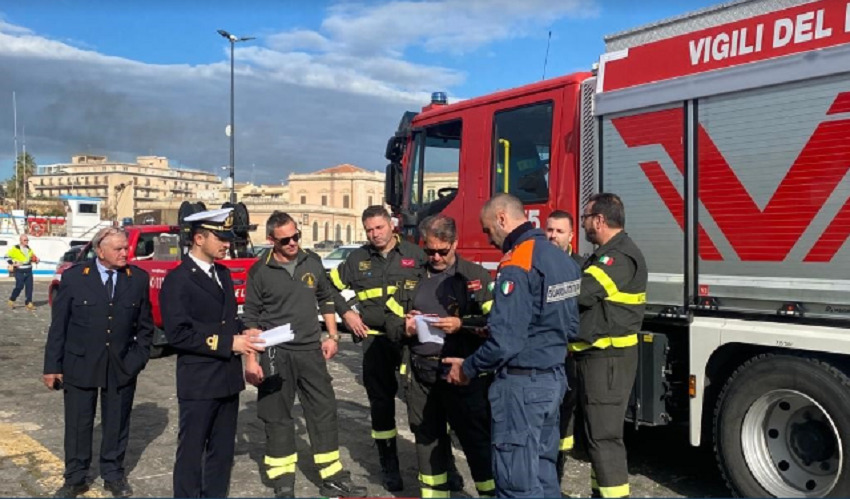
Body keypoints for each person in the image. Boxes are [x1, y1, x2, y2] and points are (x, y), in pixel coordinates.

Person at [444, 193, 581, 498]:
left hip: (521, 386)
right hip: (553, 379)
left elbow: (506, 342)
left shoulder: (517, 260)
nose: (488, 237)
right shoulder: (563, 259)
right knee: (544, 472)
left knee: (516, 480)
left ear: (502, 219)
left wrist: (467, 368)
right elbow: (570, 325)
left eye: (487, 229)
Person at [242, 211, 366, 498]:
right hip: (275, 352)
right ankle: (283, 481)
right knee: (277, 416)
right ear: (271, 239)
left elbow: (325, 297)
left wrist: (332, 336)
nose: (293, 243)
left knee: (323, 412)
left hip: (311, 350)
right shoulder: (260, 270)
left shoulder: (312, 260)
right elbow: (251, 318)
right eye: (286, 240)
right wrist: (251, 360)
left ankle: (332, 476)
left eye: (296, 236)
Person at [384, 215, 496, 499]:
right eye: (429, 250)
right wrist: (405, 326)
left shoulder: (475, 276)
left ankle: (490, 494)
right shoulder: (412, 277)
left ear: (455, 244)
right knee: (427, 441)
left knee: (476, 442)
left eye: (441, 251)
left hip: (462, 374)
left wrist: (462, 324)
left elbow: (495, 322)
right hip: (421, 373)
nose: (435, 257)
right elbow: (390, 318)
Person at [160, 207, 265, 498]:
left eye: (227, 238)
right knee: (192, 452)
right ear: (198, 238)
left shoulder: (222, 273)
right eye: (220, 238)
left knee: (222, 452)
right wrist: (228, 343)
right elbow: (178, 334)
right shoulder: (178, 279)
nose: (227, 244)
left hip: (227, 379)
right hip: (200, 380)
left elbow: (225, 318)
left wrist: (244, 331)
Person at [43, 227, 154, 498]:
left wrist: (138, 359)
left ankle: (113, 474)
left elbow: (146, 326)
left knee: (117, 422)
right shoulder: (75, 278)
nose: (124, 253)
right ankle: (75, 477)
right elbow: (59, 326)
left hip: (121, 364)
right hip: (80, 362)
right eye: (117, 249)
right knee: (78, 424)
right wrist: (51, 366)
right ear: (100, 251)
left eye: (125, 247)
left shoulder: (137, 278)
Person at [328, 205, 426, 492]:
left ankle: (437, 463)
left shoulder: (414, 256)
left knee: (423, 405)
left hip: (410, 342)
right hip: (375, 342)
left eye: (379, 227)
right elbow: (327, 286)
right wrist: (346, 312)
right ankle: (389, 466)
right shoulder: (357, 259)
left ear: (391, 226)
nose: (375, 234)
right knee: (381, 406)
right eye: (369, 230)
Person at [572, 193, 647, 499]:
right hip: (598, 356)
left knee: (604, 438)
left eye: (585, 218)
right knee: (595, 437)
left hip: (609, 359)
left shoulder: (618, 256)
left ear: (599, 220)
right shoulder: (605, 253)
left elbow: (582, 292)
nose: (584, 224)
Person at [545, 209, 584, 489]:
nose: (553, 236)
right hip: (544, 355)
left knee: (565, 417)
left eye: (559, 231)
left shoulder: (579, 267)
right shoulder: (537, 264)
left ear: (571, 235)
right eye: (549, 230)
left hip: (569, 354)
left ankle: (558, 470)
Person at [6, 233, 39, 310]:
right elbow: (6, 257)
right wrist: (13, 263)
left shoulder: (29, 249)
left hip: (29, 270)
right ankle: (12, 299)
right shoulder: (15, 248)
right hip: (19, 271)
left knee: (29, 287)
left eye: (27, 240)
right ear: (20, 241)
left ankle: (29, 303)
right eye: (25, 240)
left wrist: (36, 260)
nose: (27, 241)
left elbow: (32, 257)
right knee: (19, 286)